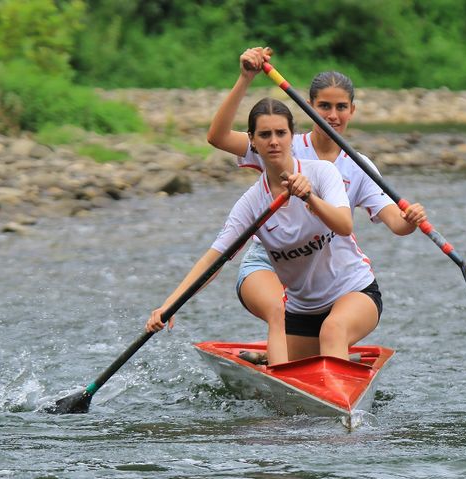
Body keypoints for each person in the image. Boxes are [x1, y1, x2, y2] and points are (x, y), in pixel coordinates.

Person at [205, 47, 427, 355]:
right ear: (309, 107)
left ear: (352, 110)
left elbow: (396, 223)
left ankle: (281, 362)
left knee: (329, 333)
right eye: (323, 106)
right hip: (284, 271)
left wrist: (411, 220)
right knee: (286, 332)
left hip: (332, 275)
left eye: (340, 107)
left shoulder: (359, 166)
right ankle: (275, 359)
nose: (332, 116)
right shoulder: (281, 141)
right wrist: (245, 79)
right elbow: (218, 137)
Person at [147, 98, 385, 366]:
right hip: (302, 311)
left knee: (333, 330)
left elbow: (344, 225)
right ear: (252, 141)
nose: (274, 141)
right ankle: (275, 372)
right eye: (265, 134)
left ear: (292, 138)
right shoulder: (251, 204)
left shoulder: (322, 174)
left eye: (281, 133)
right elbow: (212, 261)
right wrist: (171, 303)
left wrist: (310, 198)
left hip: (354, 292)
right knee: (285, 358)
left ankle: (339, 398)